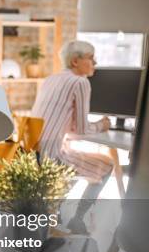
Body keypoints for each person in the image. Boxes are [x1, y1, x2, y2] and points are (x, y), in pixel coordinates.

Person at [31, 40, 112, 234]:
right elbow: (82, 129)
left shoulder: (50, 79)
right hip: (52, 157)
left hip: (33, 152)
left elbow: (68, 125)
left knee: (78, 161)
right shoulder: (80, 82)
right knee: (107, 165)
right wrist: (103, 124)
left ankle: (55, 211)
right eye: (91, 58)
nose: (95, 62)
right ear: (75, 62)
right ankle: (77, 219)